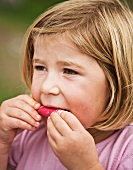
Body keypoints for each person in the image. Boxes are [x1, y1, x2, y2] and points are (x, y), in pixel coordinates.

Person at [0, 0, 133, 169]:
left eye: (69, 71)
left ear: (117, 82)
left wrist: (87, 166)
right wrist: (3, 141)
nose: (47, 87)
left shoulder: (128, 150)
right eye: (40, 67)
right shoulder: (27, 133)